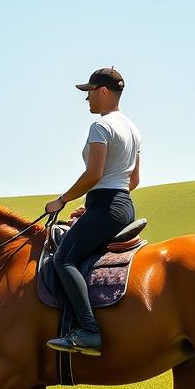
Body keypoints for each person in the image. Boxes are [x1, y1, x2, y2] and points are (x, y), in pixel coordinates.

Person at [45, 67, 142, 356]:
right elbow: (133, 180)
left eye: (88, 92)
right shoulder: (133, 129)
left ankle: (88, 330)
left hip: (107, 206)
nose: (86, 98)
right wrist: (92, 209)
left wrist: (60, 201)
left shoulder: (101, 127)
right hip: (122, 205)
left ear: (102, 92)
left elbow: (94, 174)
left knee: (63, 259)